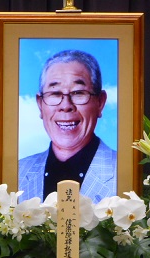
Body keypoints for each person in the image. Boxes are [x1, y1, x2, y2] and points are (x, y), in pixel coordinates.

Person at [18, 49, 117, 203]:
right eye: (55, 93)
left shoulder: (124, 171)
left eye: (78, 93)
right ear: (40, 105)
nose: (65, 105)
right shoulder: (17, 173)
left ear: (100, 102)